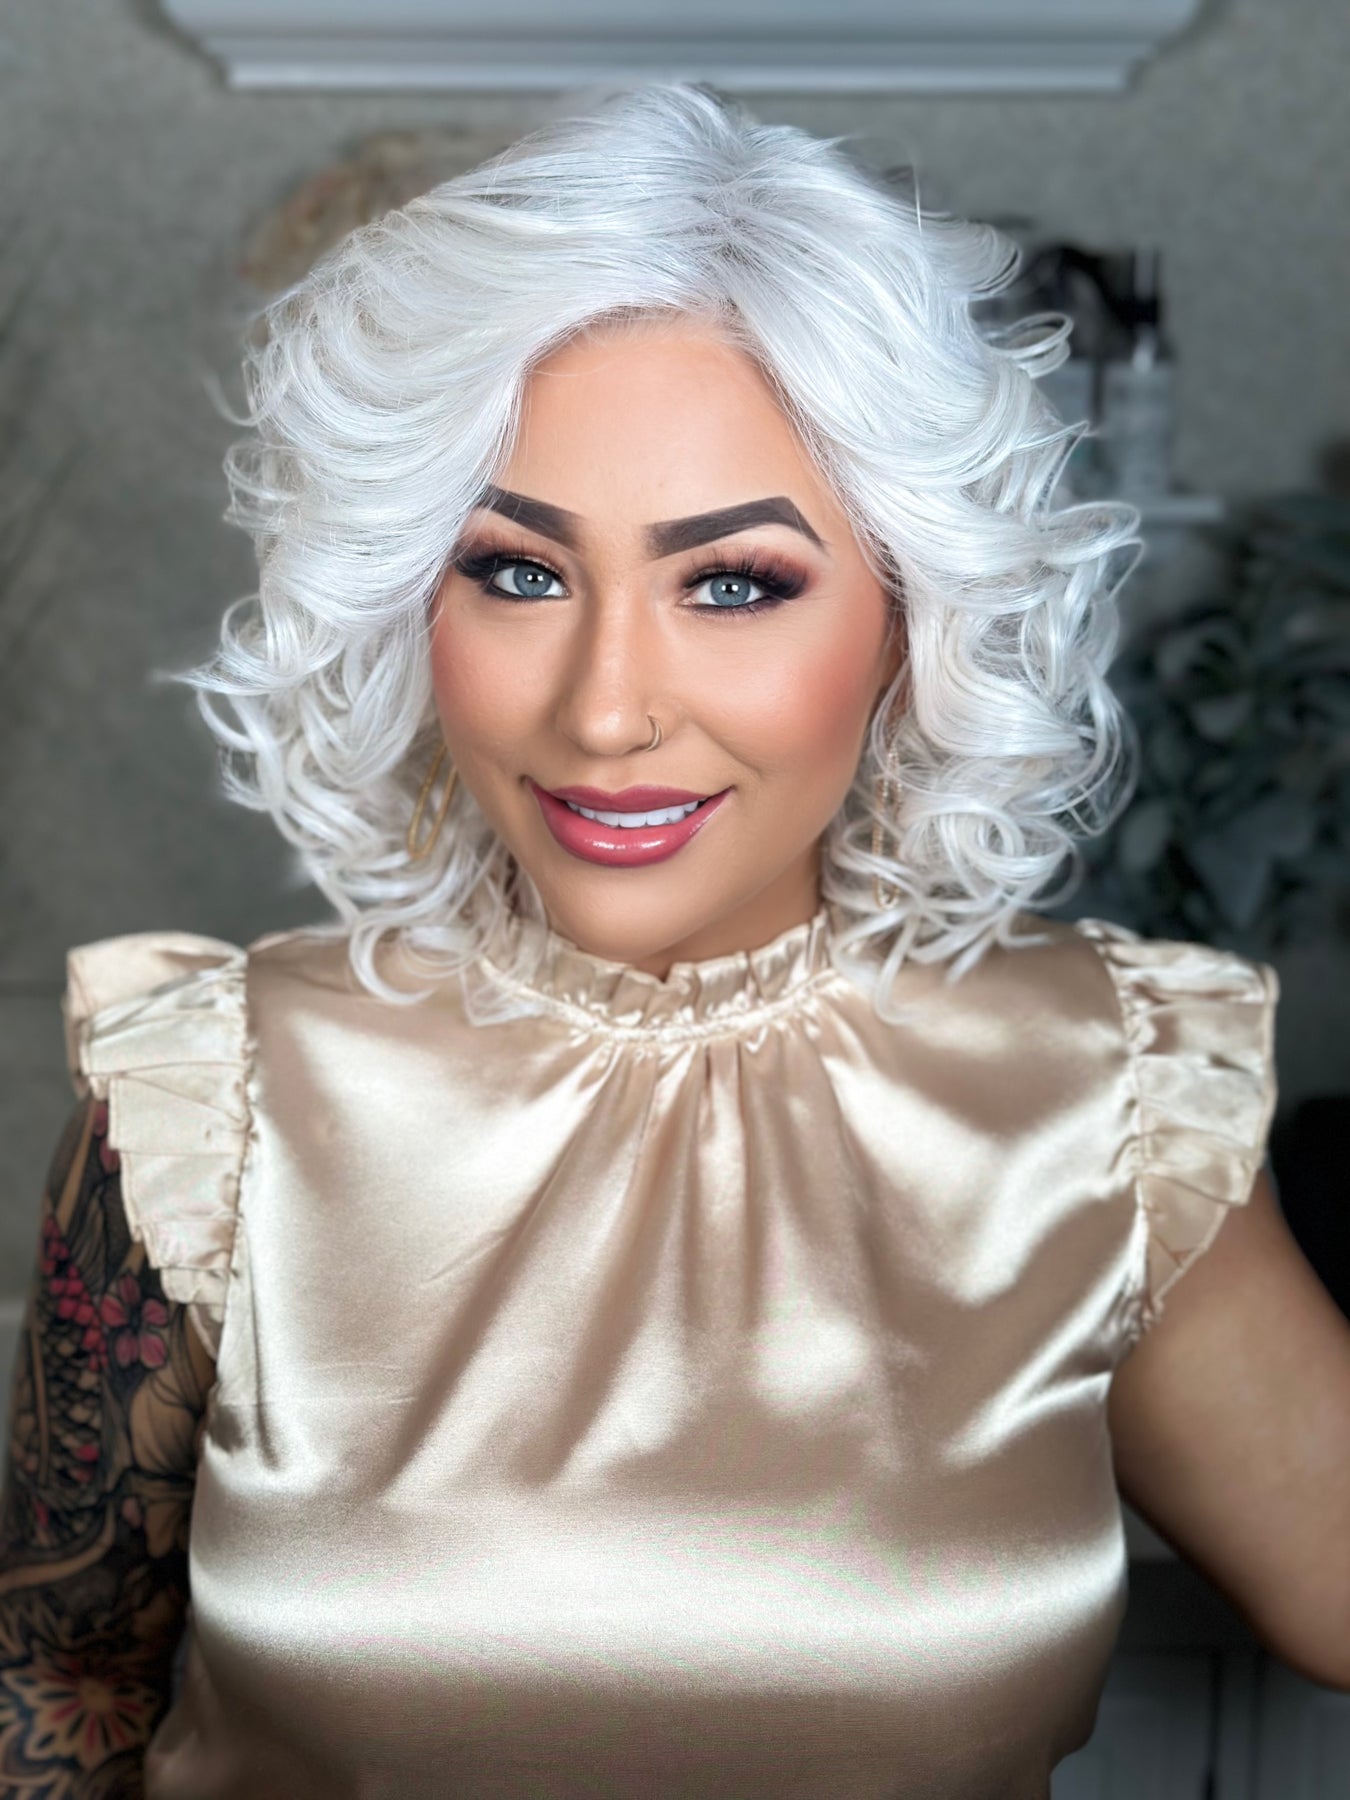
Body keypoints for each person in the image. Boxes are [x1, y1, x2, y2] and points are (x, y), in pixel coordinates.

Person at [2, 80, 1348, 1800]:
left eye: (732, 584)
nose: (605, 709)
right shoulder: (213, 1105)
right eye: (515, 571)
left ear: (911, 621)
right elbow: (57, 1678)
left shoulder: (1109, 1101)